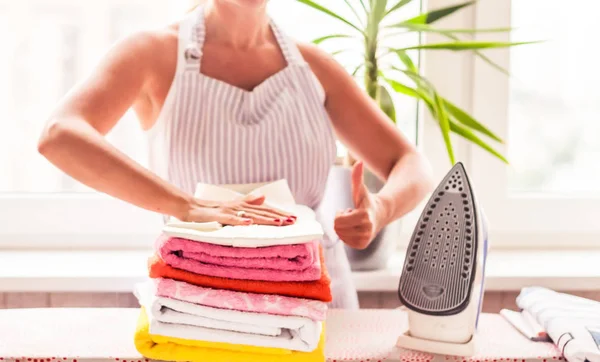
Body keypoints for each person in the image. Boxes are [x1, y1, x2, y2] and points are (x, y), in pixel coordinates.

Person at [37, 0, 434, 309]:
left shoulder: (315, 68)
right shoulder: (152, 54)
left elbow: (411, 163)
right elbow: (60, 136)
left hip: (322, 307)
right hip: (199, 309)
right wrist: (187, 205)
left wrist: (380, 209)